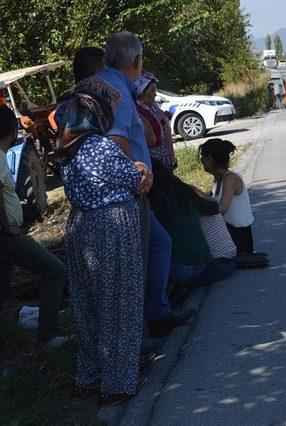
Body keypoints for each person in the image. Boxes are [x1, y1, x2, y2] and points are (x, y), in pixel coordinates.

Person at [95, 31, 194, 337]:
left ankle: (154, 314)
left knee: (155, 246)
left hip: (109, 192)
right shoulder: (119, 92)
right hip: (127, 192)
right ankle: (148, 323)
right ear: (138, 61)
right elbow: (117, 140)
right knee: (145, 254)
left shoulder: (101, 82)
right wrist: (134, 177)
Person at [56, 78, 145, 405]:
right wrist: (139, 171)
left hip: (79, 228)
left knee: (87, 305)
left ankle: (89, 377)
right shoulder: (103, 147)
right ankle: (119, 383)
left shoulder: (65, 151)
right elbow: (133, 179)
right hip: (111, 227)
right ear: (97, 116)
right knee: (120, 303)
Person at [0, 105, 66, 348]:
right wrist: (7, 226)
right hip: (7, 234)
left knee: (3, 290)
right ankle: (47, 337)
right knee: (55, 270)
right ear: (12, 130)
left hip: (7, 232)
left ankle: (10, 337)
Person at [148, 159, 235, 289]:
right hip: (205, 263)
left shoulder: (151, 199)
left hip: (186, 267)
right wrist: (196, 192)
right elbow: (214, 208)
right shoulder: (183, 191)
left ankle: (160, 305)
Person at [199, 139, 256, 255]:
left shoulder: (230, 178)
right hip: (227, 233)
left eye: (202, 157)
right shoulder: (217, 180)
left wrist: (196, 192)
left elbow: (222, 209)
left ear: (209, 160)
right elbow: (212, 201)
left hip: (238, 236)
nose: (201, 161)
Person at [134, 69, 177, 170]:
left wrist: (171, 156)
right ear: (141, 91)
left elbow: (164, 132)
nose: (155, 94)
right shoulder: (137, 110)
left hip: (164, 159)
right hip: (153, 163)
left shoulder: (152, 107)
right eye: (152, 90)